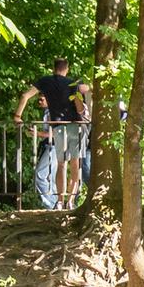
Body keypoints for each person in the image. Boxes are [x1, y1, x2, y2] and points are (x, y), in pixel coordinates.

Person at [14, 57, 84, 209]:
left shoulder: (45, 81)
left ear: (54, 68)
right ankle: (71, 201)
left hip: (58, 127)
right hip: (75, 126)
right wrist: (86, 116)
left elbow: (25, 96)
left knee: (61, 165)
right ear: (67, 69)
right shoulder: (73, 84)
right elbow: (79, 108)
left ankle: (59, 201)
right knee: (75, 165)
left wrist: (17, 116)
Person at [29, 93, 58, 209]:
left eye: (41, 100)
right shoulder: (48, 112)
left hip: (55, 146)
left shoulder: (51, 113)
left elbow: (55, 134)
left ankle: (52, 204)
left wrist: (37, 133)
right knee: (50, 178)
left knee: (40, 175)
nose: (39, 102)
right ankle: (56, 204)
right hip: (52, 146)